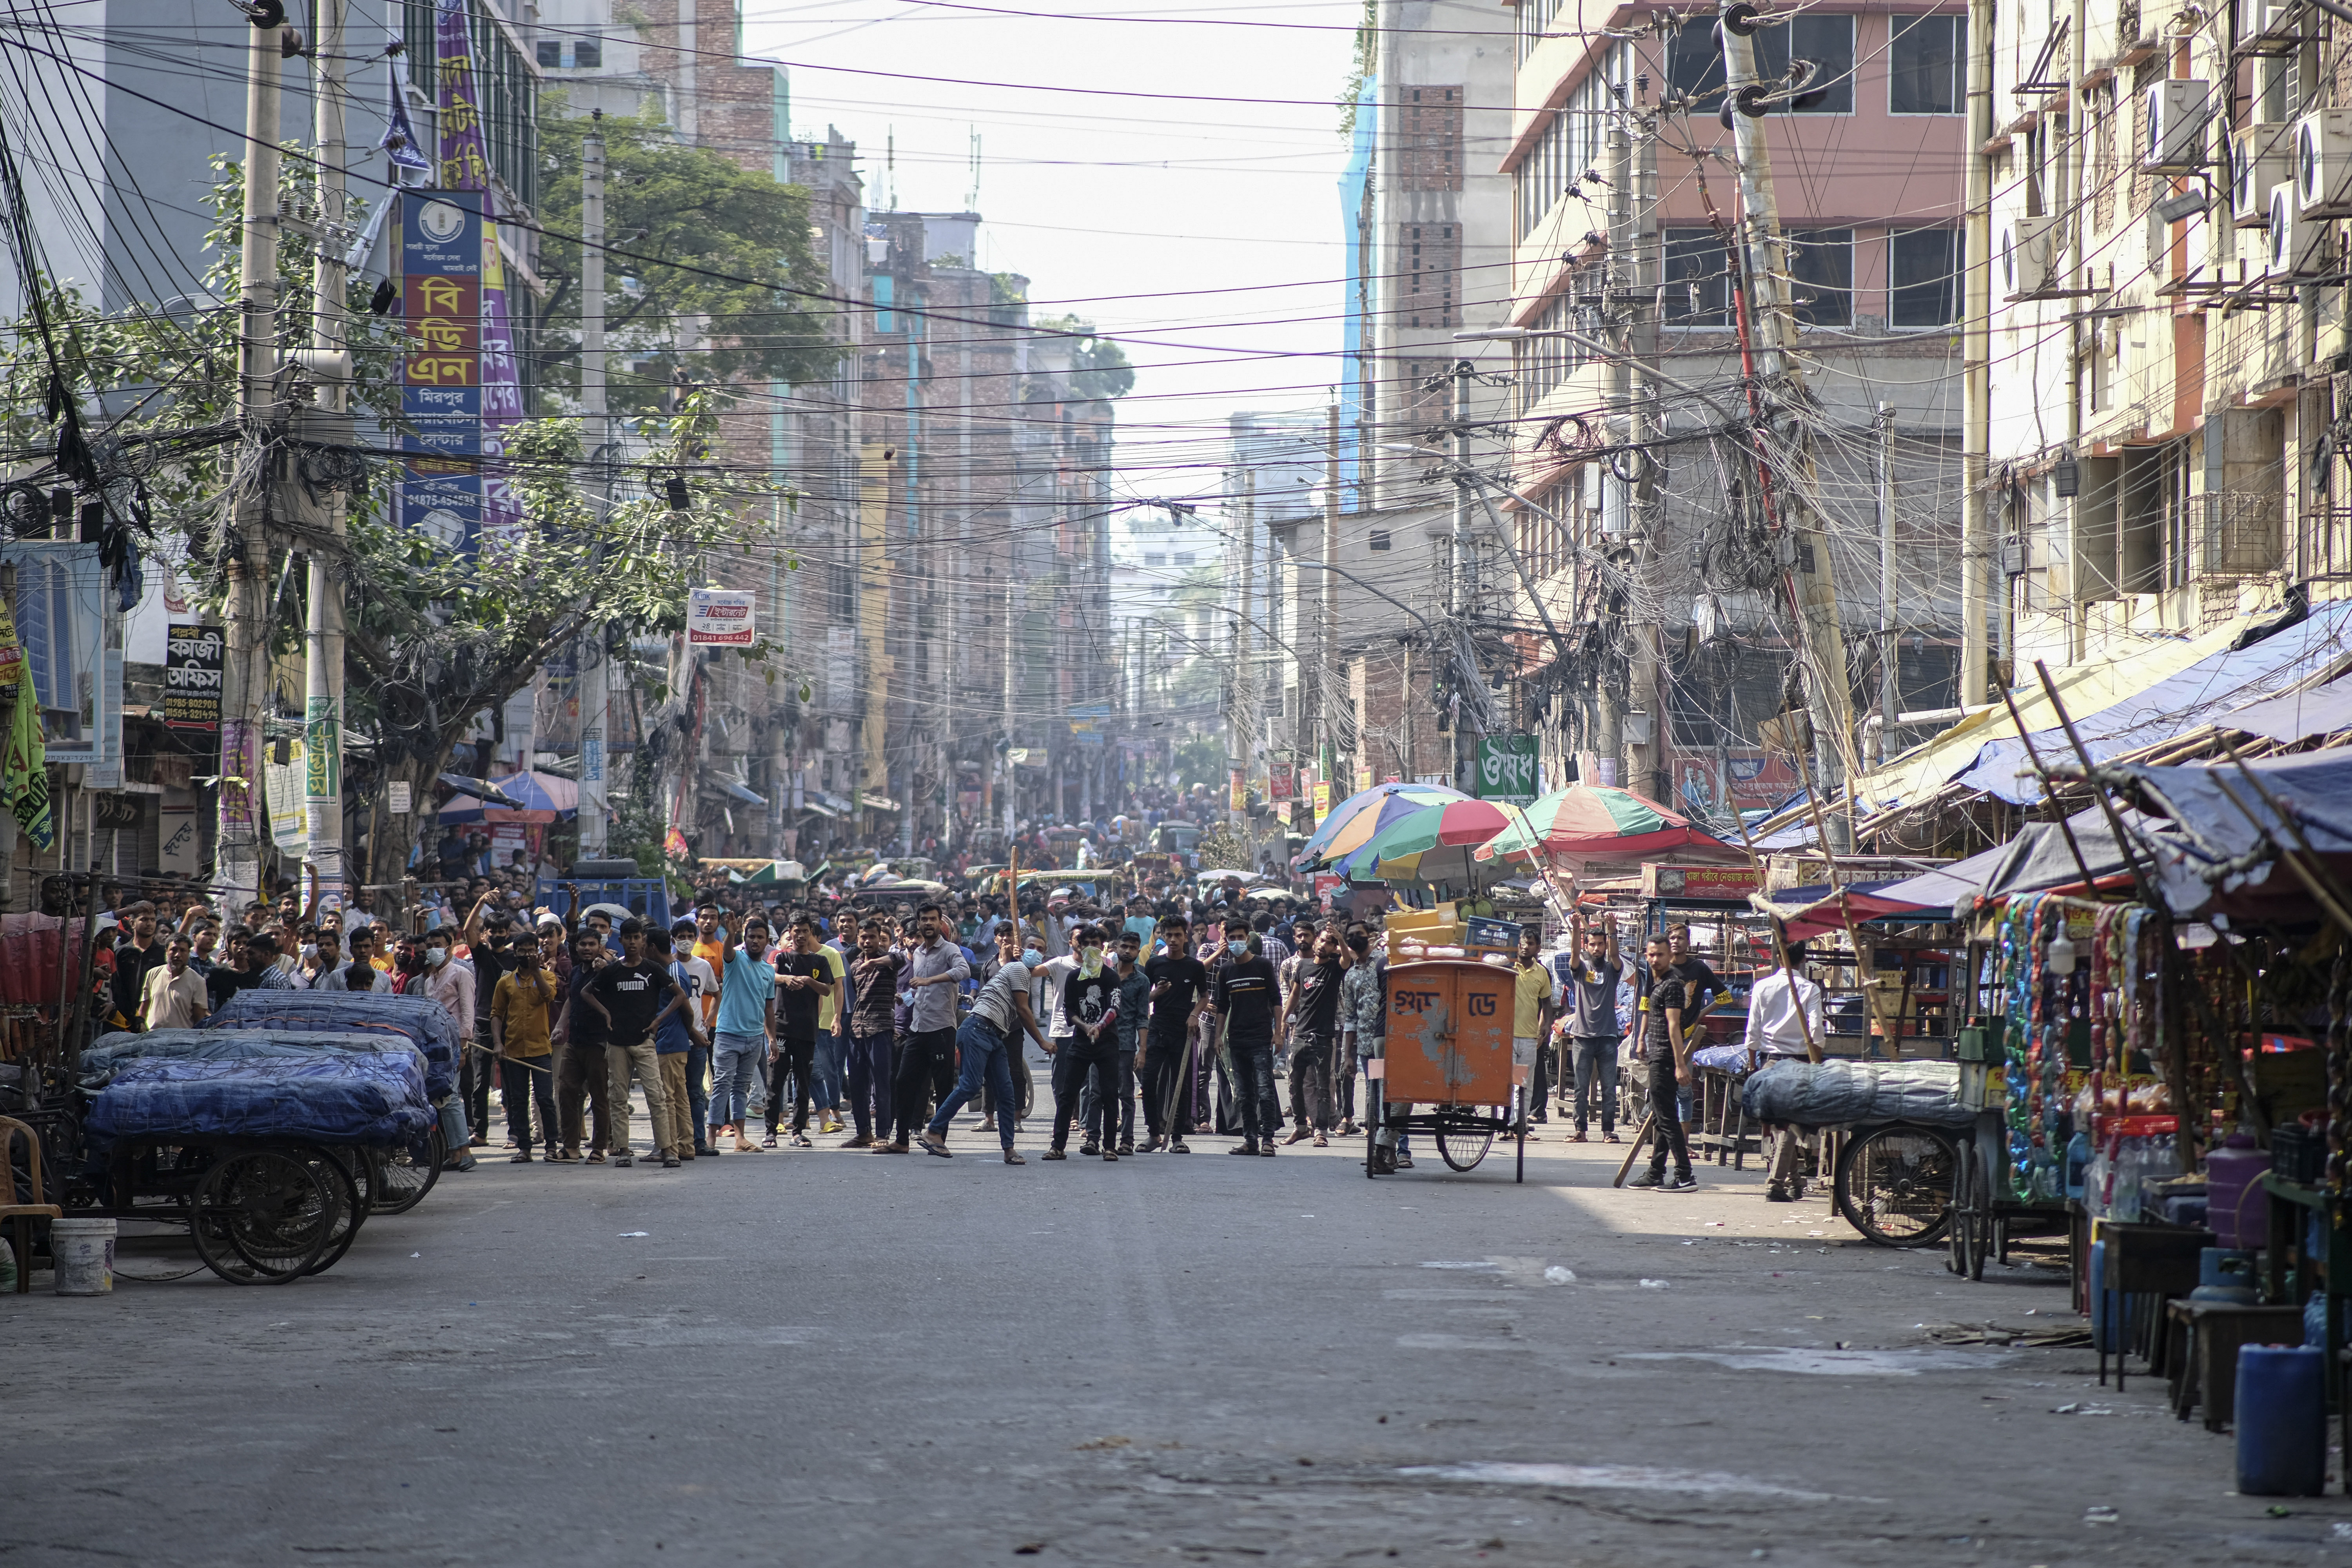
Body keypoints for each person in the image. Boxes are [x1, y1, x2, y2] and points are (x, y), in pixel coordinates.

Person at [918, 926, 1045, 1163]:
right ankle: (934, 1132)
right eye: (1031, 947)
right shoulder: (1017, 968)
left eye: (1040, 950)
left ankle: (1009, 1149)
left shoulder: (1019, 972)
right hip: (979, 1028)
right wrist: (1042, 1042)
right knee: (970, 1085)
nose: (1035, 952)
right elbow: (1023, 1010)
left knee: (1006, 1093)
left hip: (994, 1034)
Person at [582, 918, 690, 1169]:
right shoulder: (612, 971)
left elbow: (680, 996)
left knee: (657, 1096)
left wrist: (658, 1021)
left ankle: (668, 1151)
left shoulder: (653, 969)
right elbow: (586, 993)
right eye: (628, 938)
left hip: (644, 1043)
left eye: (637, 938)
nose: (632, 942)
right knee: (618, 1098)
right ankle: (623, 1151)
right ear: (621, 941)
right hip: (617, 1044)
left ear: (643, 940)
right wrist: (606, 1014)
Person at [1743, 939, 1826, 1202]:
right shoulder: (1810, 989)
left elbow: (1753, 1031)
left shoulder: (1762, 987)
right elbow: (1816, 1033)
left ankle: (1795, 1181)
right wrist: (1817, 1060)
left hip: (1771, 1062)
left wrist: (1752, 1063)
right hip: (1799, 1062)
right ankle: (1777, 1184)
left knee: (1782, 1125)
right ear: (1804, 959)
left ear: (1778, 957)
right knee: (1787, 1126)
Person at [889, 902, 969, 1154]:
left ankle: (939, 1138)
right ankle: (902, 1140)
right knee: (904, 1082)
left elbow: (964, 971)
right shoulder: (919, 952)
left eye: (933, 919)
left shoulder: (950, 949)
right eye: (924, 919)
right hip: (918, 1028)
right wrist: (907, 996)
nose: (928, 924)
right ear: (919, 922)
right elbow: (921, 989)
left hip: (942, 1028)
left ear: (940, 923)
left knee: (943, 1086)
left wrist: (929, 980)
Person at [1041, 925, 1123, 1161]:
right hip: (1080, 1041)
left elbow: (1114, 1007)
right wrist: (1086, 1027)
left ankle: (1109, 1146)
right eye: (1086, 943)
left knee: (1109, 1094)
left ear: (1103, 947)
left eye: (1096, 944)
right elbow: (1070, 1010)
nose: (1091, 948)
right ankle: (1058, 1146)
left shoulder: (1110, 976)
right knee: (1068, 1094)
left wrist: (1099, 1027)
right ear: (1079, 946)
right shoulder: (1074, 977)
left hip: (1107, 1042)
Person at [1627, 935, 1698, 1192]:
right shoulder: (1655, 984)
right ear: (1646, 955)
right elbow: (1650, 1016)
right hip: (1657, 1056)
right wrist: (1643, 1039)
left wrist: (1680, 1065)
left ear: (1670, 956)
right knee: (1660, 1117)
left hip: (1667, 1059)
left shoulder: (1672, 985)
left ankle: (1685, 1175)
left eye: (1660, 955)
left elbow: (1673, 1026)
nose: (1655, 959)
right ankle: (1656, 1172)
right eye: (1651, 954)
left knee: (1667, 1118)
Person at [1209, 921, 1282, 1156]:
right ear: (1226, 939)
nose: (1237, 941)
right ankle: (1250, 1140)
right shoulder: (1226, 971)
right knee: (1244, 1093)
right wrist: (1218, 1037)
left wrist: (1278, 1033)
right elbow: (1222, 1006)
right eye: (1232, 937)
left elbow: (1276, 1000)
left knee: (1265, 1090)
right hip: (1236, 1041)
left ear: (1248, 938)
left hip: (1261, 1038)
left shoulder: (1263, 966)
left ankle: (1268, 1140)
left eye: (1241, 936)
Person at [709, 915, 778, 1154]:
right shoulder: (735, 959)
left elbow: (769, 1007)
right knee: (721, 1085)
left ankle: (741, 1139)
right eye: (751, 937)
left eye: (760, 937)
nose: (756, 941)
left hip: (755, 1038)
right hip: (728, 1035)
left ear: (767, 940)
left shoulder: (769, 971)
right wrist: (730, 933)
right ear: (745, 939)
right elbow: (727, 952)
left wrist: (771, 1039)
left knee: (741, 1088)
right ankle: (711, 1138)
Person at [1557, 910, 1626, 1144]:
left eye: (1600, 945)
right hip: (1582, 1038)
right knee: (1580, 1088)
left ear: (1605, 946)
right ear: (1587, 947)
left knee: (1608, 1088)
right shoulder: (1581, 970)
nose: (1596, 949)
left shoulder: (1611, 970)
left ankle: (1608, 1131)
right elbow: (1575, 953)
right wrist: (1577, 929)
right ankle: (1581, 1131)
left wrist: (1613, 930)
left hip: (1607, 1038)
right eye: (1592, 945)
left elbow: (1617, 956)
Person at [765, 914, 834, 1147]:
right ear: (790, 933)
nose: (801, 936)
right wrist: (785, 979)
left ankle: (798, 1132)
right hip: (782, 1029)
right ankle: (771, 1132)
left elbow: (826, 990)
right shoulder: (781, 957)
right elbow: (768, 976)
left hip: (807, 1030)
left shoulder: (819, 962)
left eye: (806, 931)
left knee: (803, 1084)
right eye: (797, 931)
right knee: (776, 1083)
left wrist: (807, 981)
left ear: (811, 934)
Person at [490, 937, 561, 1162]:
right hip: (513, 1051)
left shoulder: (548, 976)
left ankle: (551, 1145)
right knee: (518, 1101)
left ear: (537, 953)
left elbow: (548, 996)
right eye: (523, 951)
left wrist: (536, 971)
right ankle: (524, 1147)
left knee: (545, 1099)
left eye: (532, 951)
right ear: (516, 954)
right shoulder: (506, 982)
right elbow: (497, 1014)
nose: (527, 955)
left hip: (540, 1050)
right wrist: (498, 1043)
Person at [841, 917, 906, 1149]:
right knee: (858, 1084)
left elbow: (901, 957)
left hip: (880, 1028)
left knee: (882, 1083)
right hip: (857, 1029)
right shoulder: (855, 965)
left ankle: (883, 1134)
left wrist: (876, 963)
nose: (867, 941)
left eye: (872, 937)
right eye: (864, 937)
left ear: (880, 939)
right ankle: (863, 1133)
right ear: (858, 939)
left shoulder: (891, 960)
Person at [646, 929, 711, 1162]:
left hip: (670, 1041)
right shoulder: (672, 968)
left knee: (668, 1098)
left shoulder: (673, 971)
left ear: (653, 947)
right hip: (676, 1040)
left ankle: (670, 1147)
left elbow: (684, 1003)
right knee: (680, 1097)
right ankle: (685, 1145)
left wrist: (691, 1032)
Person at [1280, 927, 1346, 1147]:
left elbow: (1347, 959)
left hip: (1325, 1037)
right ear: (1316, 942)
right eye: (1322, 941)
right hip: (1301, 1033)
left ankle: (1321, 1131)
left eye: (1329, 943)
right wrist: (1284, 1019)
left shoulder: (1336, 967)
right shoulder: (1303, 966)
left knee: (1323, 1087)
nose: (1323, 945)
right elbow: (1295, 994)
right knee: (1295, 1084)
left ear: (1334, 948)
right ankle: (1300, 1128)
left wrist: (1340, 939)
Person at [557, 929, 613, 1162]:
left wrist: (605, 973)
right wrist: (560, 1025)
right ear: (577, 947)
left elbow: (614, 997)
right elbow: (571, 999)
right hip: (575, 1041)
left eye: (592, 944)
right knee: (567, 1092)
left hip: (599, 1043)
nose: (587, 948)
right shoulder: (577, 972)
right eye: (583, 944)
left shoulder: (608, 972)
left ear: (600, 946)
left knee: (599, 1097)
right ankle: (571, 1147)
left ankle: (599, 1148)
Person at [666, 918, 720, 1155]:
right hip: (672, 1037)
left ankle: (699, 1141)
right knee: (671, 1092)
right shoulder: (666, 967)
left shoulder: (703, 966)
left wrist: (709, 1021)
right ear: (673, 939)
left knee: (696, 1091)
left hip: (698, 1038)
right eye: (682, 936)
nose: (686, 941)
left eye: (691, 936)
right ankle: (674, 1141)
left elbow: (717, 993)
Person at [1512, 927, 1555, 1131]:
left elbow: (1547, 1003)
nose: (1525, 947)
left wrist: (1545, 1025)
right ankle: (1508, 1123)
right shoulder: (1507, 967)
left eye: (1530, 944)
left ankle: (1521, 1124)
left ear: (1538, 948)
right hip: (1507, 1037)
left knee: (1523, 1083)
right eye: (1523, 942)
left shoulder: (1542, 972)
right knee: (1508, 1083)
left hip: (1529, 1039)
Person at [139, 935, 208, 1030]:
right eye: (174, 950)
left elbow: (199, 1020)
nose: (178, 955)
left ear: (189, 953)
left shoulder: (198, 981)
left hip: (181, 1039)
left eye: (183, 951)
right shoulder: (153, 974)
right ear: (166, 951)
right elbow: (144, 1009)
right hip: (152, 1036)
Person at [320, 927, 394, 993]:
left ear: (373, 949)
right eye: (358, 947)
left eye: (367, 946)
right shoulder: (337, 977)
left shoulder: (384, 979)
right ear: (351, 950)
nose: (363, 951)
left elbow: (388, 1007)